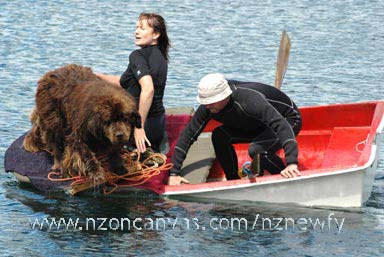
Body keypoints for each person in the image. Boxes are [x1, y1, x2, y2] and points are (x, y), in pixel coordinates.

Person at [168, 73, 302, 186]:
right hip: (256, 123)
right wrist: (174, 173)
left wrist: (292, 163)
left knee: (258, 150)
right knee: (219, 135)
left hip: (288, 119)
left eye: (211, 102)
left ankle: (284, 175)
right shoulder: (208, 107)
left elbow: (281, 126)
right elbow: (188, 135)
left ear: (224, 97)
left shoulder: (249, 100)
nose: (207, 106)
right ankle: (233, 180)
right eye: (205, 102)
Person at [97, 13, 170, 153]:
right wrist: (97, 76)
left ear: (155, 34)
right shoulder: (161, 57)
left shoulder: (137, 56)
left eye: (142, 28)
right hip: (158, 125)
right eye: (136, 27)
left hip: (142, 126)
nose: (136, 31)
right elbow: (123, 82)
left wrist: (139, 127)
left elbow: (148, 89)